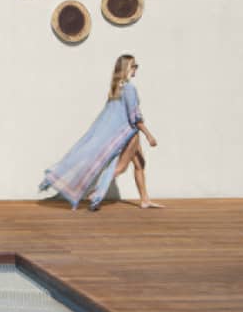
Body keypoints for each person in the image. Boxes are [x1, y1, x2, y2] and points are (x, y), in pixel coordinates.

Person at [39, 54, 160, 210]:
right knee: (121, 168)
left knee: (140, 164)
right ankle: (96, 192)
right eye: (133, 65)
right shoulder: (129, 88)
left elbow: (111, 116)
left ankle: (145, 200)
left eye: (136, 65)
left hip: (126, 133)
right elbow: (134, 116)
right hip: (130, 133)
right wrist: (149, 135)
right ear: (126, 68)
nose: (136, 68)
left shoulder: (117, 89)